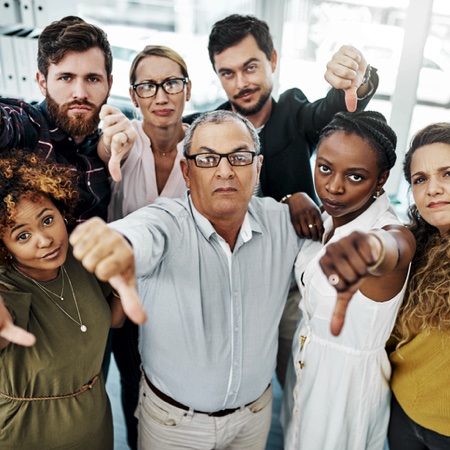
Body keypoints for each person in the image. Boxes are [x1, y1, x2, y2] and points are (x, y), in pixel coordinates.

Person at [70, 110, 305, 450]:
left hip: (254, 417)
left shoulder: (284, 223)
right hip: (174, 426)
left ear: (257, 167)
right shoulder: (166, 220)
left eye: (239, 157)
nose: (225, 170)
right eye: (208, 158)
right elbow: (139, 233)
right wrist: (117, 245)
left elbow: (343, 232)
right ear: (187, 171)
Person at [185, 14, 380, 385]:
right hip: (233, 289)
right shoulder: (208, 127)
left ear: (273, 60)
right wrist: (289, 197)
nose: (241, 83)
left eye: (251, 67)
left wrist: (358, 77)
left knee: (300, 384)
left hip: (295, 284)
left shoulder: (293, 111)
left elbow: (334, 109)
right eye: (227, 73)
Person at [282, 111, 415, 450]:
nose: (333, 186)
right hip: (303, 373)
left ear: (381, 179)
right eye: (324, 168)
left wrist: (370, 248)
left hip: (346, 392)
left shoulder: (388, 230)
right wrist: (293, 197)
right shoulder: (330, 214)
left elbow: (397, 248)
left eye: (355, 177)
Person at [0, 150, 145, 449]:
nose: (45, 240)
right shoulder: (7, 289)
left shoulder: (79, 261)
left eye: (47, 220)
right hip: (26, 435)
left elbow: (113, 320)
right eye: (22, 236)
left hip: (94, 425)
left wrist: (126, 276)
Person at [100, 45, 191, 449]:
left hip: (181, 294)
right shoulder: (126, 140)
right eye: (148, 86)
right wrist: (111, 147)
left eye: (171, 82)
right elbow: (108, 146)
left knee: (177, 396)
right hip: (125, 296)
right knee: (133, 389)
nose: (161, 95)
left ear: (187, 89)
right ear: (133, 96)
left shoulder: (204, 149)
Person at [0, 15, 135, 226]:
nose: (80, 93)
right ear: (42, 83)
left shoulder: (109, 140)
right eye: (66, 78)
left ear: (108, 84)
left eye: (92, 79)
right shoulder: (28, 126)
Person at [388, 123, 450, 449]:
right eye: (420, 179)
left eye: (447, 174)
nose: (433, 189)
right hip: (403, 410)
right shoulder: (412, 245)